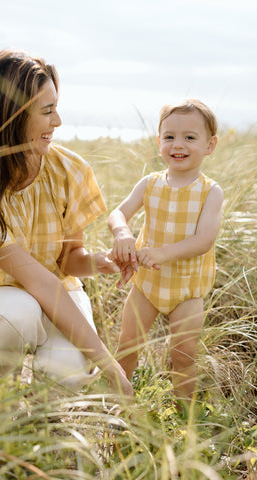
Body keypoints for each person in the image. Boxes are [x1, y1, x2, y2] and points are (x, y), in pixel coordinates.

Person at [0, 49, 133, 397]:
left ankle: (45, 430)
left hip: (55, 292)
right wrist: (110, 366)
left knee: (68, 376)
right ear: (10, 117)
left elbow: (67, 260)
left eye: (56, 108)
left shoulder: (67, 169)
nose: (57, 121)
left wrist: (98, 262)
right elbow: (38, 283)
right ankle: (2, 401)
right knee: (15, 314)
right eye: (47, 111)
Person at [108, 99, 223, 403]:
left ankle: (185, 416)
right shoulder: (150, 183)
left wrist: (160, 254)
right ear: (159, 142)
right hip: (147, 285)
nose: (178, 145)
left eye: (190, 137)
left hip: (186, 289)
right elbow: (118, 213)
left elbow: (203, 240)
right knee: (128, 345)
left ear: (209, 145)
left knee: (183, 355)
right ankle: (118, 406)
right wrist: (123, 233)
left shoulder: (210, 191)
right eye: (170, 137)